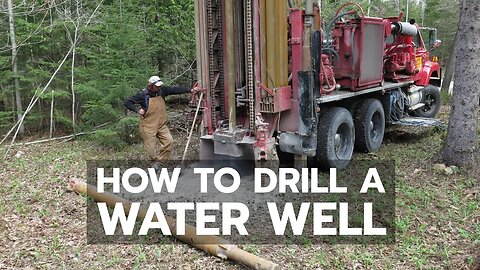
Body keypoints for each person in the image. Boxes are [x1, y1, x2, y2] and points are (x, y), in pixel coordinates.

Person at [124, 76, 196, 161]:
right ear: (150, 86)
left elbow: (174, 90)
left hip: (161, 125)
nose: (158, 88)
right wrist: (137, 110)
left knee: (169, 142)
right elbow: (127, 102)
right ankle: (153, 163)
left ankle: (161, 163)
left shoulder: (162, 90)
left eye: (159, 86)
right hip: (148, 126)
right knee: (150, 149)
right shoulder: (143, 94)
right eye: (156, 86)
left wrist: (190, 90)